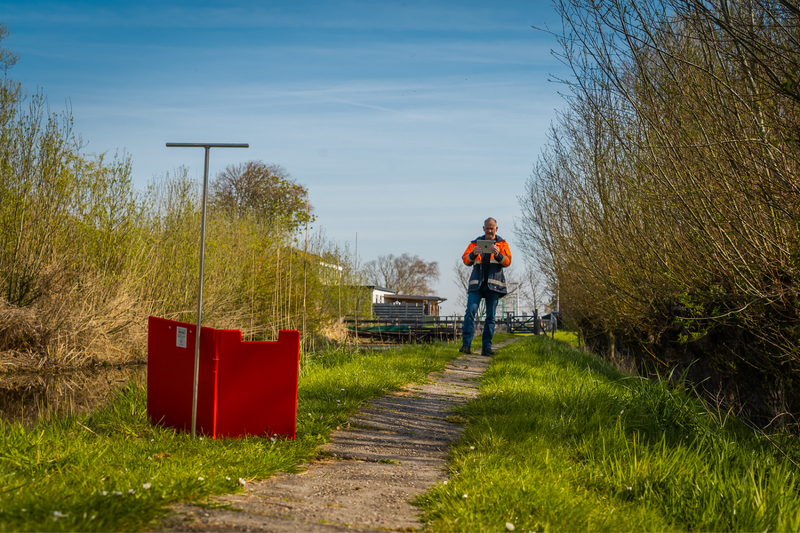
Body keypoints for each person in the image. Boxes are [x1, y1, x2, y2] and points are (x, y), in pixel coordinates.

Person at [459, 217, 512, 356]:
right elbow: (465, 260)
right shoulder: (474, 243)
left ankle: (486, 348)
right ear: (483, 228)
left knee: (491, 317)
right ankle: (466, 345)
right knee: (470, 312)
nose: (489, 231)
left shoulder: (502, 244)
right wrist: (473, 254)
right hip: (476, 284)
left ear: (496, 229)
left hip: (494, 286)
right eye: (487, 228)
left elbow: (507, 261)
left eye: (491, 228)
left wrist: (498, 254)